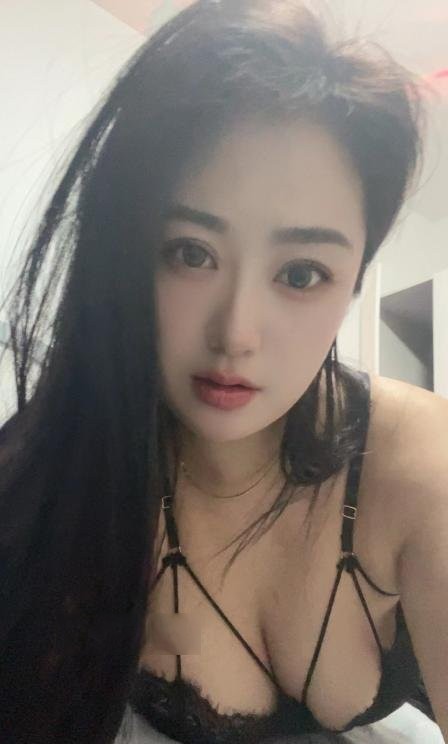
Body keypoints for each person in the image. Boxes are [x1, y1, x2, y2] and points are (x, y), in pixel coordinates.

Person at [0, 1, 447, 743]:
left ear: (353, 283)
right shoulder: (56, 476)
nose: (236, 333)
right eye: (191, 253)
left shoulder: (422, 467)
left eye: (301, 273)